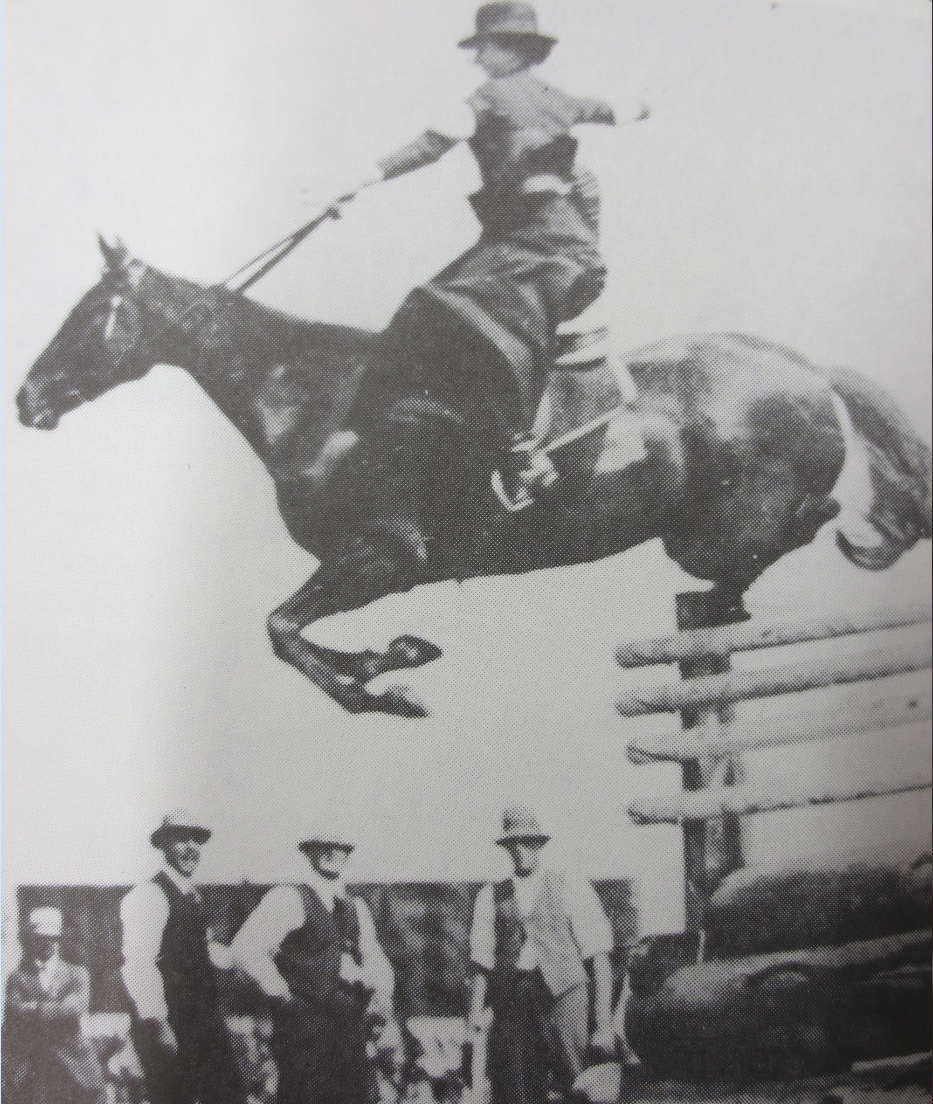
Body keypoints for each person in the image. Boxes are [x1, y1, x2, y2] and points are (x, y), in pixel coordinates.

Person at [331, 2, 649, 509]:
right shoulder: (558, 99)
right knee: (437, 306)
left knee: (460, 315)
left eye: (485, 49)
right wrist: (644, 104)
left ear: (511, 49)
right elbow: (616, 110)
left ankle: (522, 451)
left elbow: (432, 144)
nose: (478, 59)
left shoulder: (490, 99)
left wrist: (359, 178)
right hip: (547, 245)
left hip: (540, 251)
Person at [230, 827, 395, 1104]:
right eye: (324, 846)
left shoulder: (356, 908)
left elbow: (376, 960)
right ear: (309, 851)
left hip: (349, 1032)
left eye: (340, 846)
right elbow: (245, 950)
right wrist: (282, 994)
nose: (333, 853)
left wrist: (382, 996)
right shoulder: (289, 898)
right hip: (305, 1035)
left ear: (348, 853)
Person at [467, 807, 617, 1103]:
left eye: (527, 842)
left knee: (579, 1085)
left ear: (538, 844)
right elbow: (482, 964)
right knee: (517, 1089)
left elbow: (599, 957)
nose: (520, 850)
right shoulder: (491, 896)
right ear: (506, 848)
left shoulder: (569, 886)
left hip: (565, 997)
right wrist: (473, 1018)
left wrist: (603, 1026)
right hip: (514, 1000)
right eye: (513, 844)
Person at [119, 809, 246, 1104]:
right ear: (163, 845)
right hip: (172, 1025)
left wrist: (238, 959)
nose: (191, 848)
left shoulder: (192, 897)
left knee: (228, 1094)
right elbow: (139, 965)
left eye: (197, 840)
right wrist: (160, 1026)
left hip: (203, 1023)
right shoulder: (149, 895)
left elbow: (200, 952)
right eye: (181, 839)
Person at [2, 907, 106, 1104]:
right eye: (41, 937)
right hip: (34, 1067)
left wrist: (35, 1008)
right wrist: (56, 1007)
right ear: (32, 938)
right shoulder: (18, 977)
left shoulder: (77, 974)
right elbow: (15, 1011)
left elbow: (75, 1009)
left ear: (59, 939)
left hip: (75, 1067)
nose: (48, 942)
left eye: (53, 937)